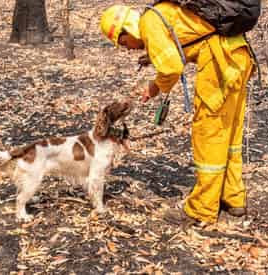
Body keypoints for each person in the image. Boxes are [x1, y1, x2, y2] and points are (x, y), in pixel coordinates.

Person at [100, 2, 254, 225]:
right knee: (229, 133)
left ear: (128, 28)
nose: (128, 48)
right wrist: (152, 57)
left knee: (208, 135)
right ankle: (233, 197)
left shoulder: (149, 22)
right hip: (238, 56)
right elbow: (189, 37)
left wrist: (154, 88)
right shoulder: (160, 14)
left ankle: (202, 209)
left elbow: (172, 67)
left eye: (123, 42)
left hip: (219, 65)